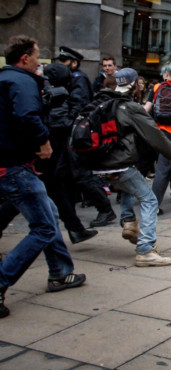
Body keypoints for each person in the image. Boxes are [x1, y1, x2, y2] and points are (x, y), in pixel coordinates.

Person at [1, 35, 87, 319]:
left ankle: (61, 273)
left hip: (11, 164)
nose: (40, 63)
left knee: (48, 212)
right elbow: (27, 116)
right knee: (44, 227)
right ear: (25, 57)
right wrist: (43, 143)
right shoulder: (21, 81)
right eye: (37, 56)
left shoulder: (5, 79)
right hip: (13, 166)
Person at [83, 68, 171, 267]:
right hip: (119, 165)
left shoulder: (103, 102)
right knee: (150, 200)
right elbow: (155, 136)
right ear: (135, 84)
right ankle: (146, 249)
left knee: (133, 184)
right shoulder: (130, 107)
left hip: (99, 166)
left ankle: (129, 222)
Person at [55, 46, 116, 228]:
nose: (61, 65)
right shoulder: (71, 79)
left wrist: (67, 124)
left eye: (64, 62)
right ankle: (68, 212)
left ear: (74, 63)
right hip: (74, 133)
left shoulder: (78, 79)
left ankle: (105, 209)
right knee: (63, 173)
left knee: (81, 174)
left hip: (77, 134)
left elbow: (79, 108)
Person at [40, 62, 99, 244]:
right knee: (24, 197)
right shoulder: (55, 96)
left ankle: (76, 229)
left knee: (57, 191)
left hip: (52, 158)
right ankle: (74, 230)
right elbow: (59, 123)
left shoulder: (54, 95)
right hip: (47, 156)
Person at [144, 62, 171, 212]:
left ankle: (160, 201)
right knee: (167, 167)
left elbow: (146, 109)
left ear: (165, 74)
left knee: (164, 168)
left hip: (159, 132)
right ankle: (153, 206)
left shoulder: (156, 87)